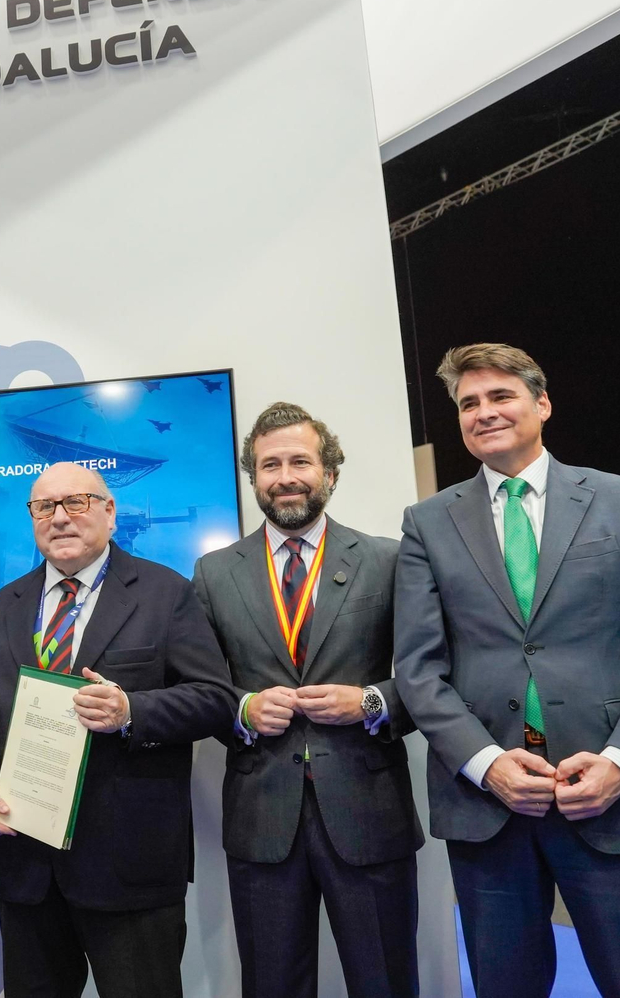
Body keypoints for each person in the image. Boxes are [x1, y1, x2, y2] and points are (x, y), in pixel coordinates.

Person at [395, 343, 620, 998]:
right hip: (491, 808)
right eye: (468, 403)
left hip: (616, 804)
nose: (484, 412)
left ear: (541, 403)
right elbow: (419, 670)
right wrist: (488, 764)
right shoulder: (428, 523)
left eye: (500, 395)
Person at [0, 462, 234, 998]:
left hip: (130, 864)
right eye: (44, 507)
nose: (59, 517)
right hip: (26, 863)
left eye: (75, 502)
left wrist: (131, 711)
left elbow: (216, 700)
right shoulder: (5, 606)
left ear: (109, 511)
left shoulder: (165, 592)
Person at [192, 402, 421, 998]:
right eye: (270, 464)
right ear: (253, 478)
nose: (285, 476)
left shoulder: (387, 559)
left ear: (331, 473)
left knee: (386, 981)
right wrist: (241, 710)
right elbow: (200, 687)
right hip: (262, 817)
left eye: (301, 461)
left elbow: (430, 677)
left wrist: (370, 701)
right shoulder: (214, 573)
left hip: (368, 813)